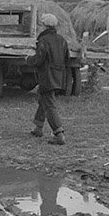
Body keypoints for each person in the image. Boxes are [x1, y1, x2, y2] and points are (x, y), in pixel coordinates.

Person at [28, 12, 70, 146]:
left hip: (47, 77)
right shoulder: (62, 40)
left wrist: (28, 59)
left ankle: (59, 134)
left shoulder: (43, 41)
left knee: (49, 104)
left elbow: (39, 59)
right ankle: (38, 128)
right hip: (59, 76)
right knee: (44, 98)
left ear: (45, 26)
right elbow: (67, 59)